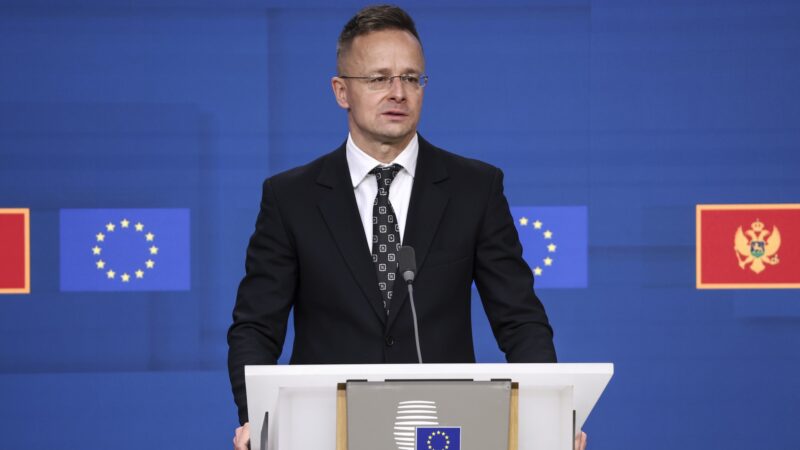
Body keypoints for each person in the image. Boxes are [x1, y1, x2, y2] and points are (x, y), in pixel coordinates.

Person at [228, 4, 585, 450]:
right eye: (379, 79)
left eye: (411, 78)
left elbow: (520, 320)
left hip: (446, 430)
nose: (398, 93)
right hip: (325, 431)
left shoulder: (475, 189)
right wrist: (257, 418)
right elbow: (256, 328)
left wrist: (549, 416)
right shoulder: (291, 197)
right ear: (341, 91)